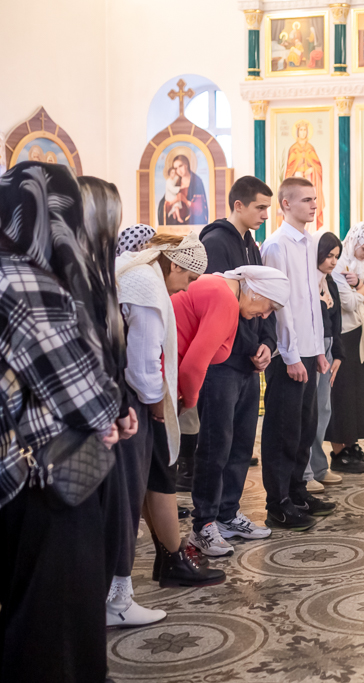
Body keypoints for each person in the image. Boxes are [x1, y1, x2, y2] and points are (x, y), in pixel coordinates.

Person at [0, 163, 125, 682]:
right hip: (44, 483)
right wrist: (110, 411)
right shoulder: (29, 283)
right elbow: (84, 397)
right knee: (55, 629)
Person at [108, 230, 218, 628]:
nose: (185, 288)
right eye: (186, 277)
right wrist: (158, 402)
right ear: (172, 264)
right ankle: (116, 599)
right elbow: (142, 362)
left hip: (118, 396)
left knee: (137, 489)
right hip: (131, 401)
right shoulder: (147, 285)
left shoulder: (132, 270)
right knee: (128, 496)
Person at [190, 177, 278, 557]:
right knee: (216, 445)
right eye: (260, 207)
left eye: (267, 208)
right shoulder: (215, 242)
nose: (265, 214)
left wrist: (267, 344)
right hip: (222, 363)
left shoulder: (251, 246)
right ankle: (204, 523)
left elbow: (263, 298)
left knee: (241, 442)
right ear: (238, 205)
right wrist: (250, 345)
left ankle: (228, 513)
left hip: (247, 363)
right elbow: (222, 308)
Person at [261, 177, 334, 530]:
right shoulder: (276, 245)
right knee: (283, 430)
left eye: (315, 199)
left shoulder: (310, 242)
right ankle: (278, 503)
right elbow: (280, 304)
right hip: (286, 354)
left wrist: (317, 350)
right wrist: (290, 355)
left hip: (307, 349)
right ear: (286, 204)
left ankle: (297, 492)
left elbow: (310, 302)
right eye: (306, 199)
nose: (313, 205)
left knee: (305, 427)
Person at [327, 222, 364, 474]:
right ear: (355, 241)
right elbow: (348, 304)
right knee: (342, 393)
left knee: (356, 393)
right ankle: (339, 452)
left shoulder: (361, 265)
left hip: (358, 333)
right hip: (342, 334)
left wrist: (361, 283)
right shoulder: (338, 263)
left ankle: (352, 444)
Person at [305, 231, 345, 489]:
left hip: (328, 348)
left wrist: (338, 354)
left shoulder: (329, 282)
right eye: (329, 255)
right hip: (311, 348)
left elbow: (336, 321)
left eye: (336, 257)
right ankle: (306, 471)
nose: (333, 261)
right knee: (309, 411)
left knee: (324, 409)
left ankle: (319, 467)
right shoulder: (308, 280)